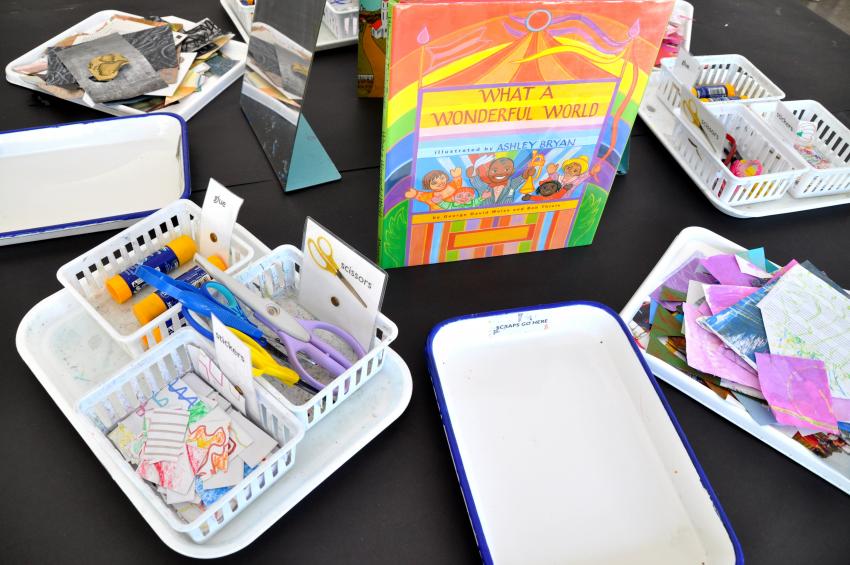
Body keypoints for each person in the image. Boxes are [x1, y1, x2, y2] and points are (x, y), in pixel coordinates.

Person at [466, 156, 534, 206]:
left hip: (505, 214)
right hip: (484, 215)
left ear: (512, 171)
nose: (500, 173)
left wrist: (527, 173)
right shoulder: (484, 187)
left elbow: (521, 178)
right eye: (495, 170)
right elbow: (474, 180)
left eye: (506, 169)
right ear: (488, 172)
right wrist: (471, 175)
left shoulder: (511, 185)